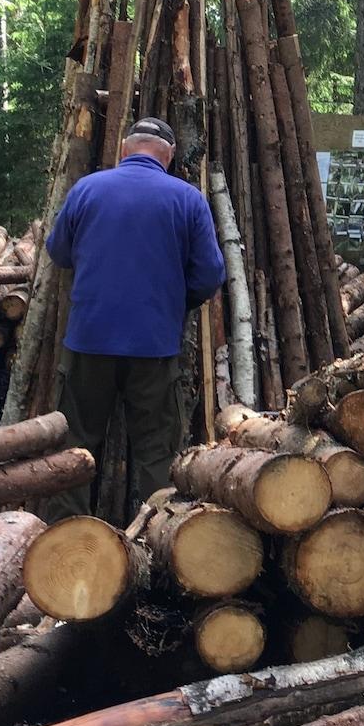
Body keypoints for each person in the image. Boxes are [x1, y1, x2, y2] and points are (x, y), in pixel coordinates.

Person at [43, 117, 226, 523]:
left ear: (125, 149)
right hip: (155, 346)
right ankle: (159, 538)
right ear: (170, 155)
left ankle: (66, 539)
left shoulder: (86, 189)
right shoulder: (187, 199)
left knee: (76, 443)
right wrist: (175, 304)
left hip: (88, 340)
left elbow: (58, 252)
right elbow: (210, 276)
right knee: (157, 450)